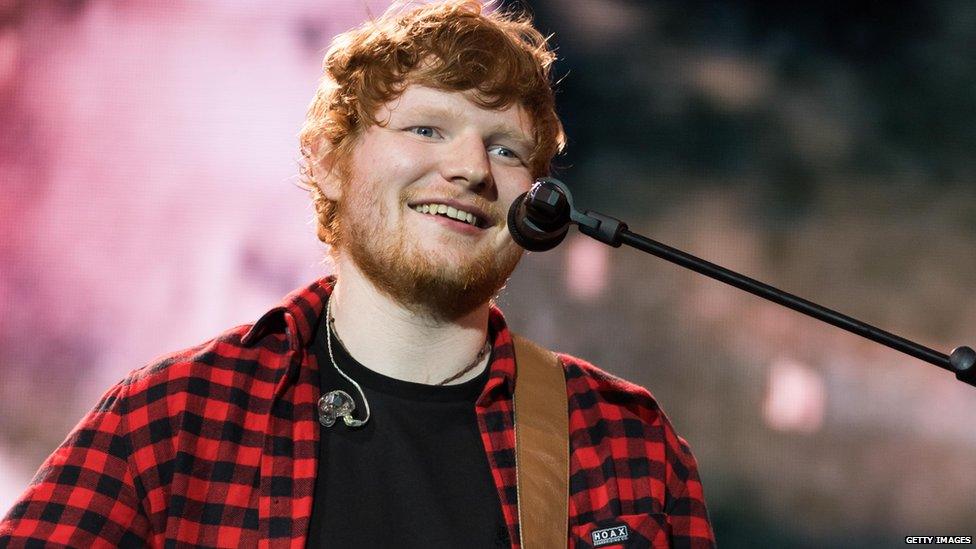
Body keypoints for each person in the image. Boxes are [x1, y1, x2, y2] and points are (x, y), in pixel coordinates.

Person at [0, 1, 714, 547]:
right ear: (331, 165)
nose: (470, 168)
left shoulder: (626, 441)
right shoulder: (174, 419)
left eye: (504, 149)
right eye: (426, 129)